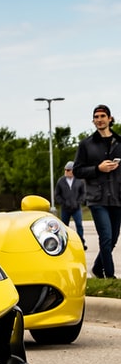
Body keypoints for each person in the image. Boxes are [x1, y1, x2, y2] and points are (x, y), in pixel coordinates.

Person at [73, 106, 121, 277]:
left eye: (102, 116)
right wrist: (98, 168)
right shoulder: (86, 144)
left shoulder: (119, 142)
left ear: (110, 119)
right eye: (96, 116)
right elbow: (77, 170)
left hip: (117, 198)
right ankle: (110, 275)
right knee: (106, 237)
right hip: (97, 198)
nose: (99, 119)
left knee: (113, 239)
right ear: (93, 120)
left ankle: (96, 268)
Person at [54, 161, 86, 244]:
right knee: (64, 226)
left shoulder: (80, 181)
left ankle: (81, 242)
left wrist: (78, 202)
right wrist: (63, 203)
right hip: (65, 209)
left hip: (76, 208)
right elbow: (57, 194)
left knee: (79, 225)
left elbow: (83, 193)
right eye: (65, 170)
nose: (66, 172)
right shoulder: (61, 181)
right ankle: (65, 242)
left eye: (68, 170)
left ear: (73, 170)